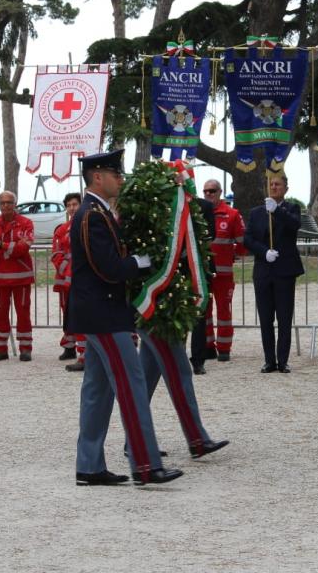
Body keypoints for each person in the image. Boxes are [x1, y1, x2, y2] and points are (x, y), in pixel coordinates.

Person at [69, 149, 181, 486]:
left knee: (97, 391)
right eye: (115, 174)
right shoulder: (92, 215)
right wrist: (140, 262)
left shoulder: (98, 213)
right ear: (98, 177)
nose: (120, 179)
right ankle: (146, 465)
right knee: (131, 387)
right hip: (103, 314)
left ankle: (88, 466)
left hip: (98, 313)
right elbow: (108, 268)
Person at [244, 174, 304, 374]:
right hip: (263, 270)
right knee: (266, 318)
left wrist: (277, 211)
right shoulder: (256, 212)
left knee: (284, 318)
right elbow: (248, 238)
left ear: (286, 188)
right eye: (271, 184)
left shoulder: (292, 208)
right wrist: (263, 252)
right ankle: (269, 360)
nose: (274, 187)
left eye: (278, 184)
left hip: (285, 270)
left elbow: (294, 225)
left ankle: (283, 360)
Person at [0, 191, 35, 363]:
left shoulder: (26, 223)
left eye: (9, 202)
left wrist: (2, 246)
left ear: (15, 204)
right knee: (1, 312)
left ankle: (25, 348)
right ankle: (0, 349)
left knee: (23, 312)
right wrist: (10, 249)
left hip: (21, 277)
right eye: (2, 203)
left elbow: (24, 248)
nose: (5, 205)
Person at [201, 179, 246, 363]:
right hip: (203, 274)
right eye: (205, 191)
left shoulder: (232, 214)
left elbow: (242, 244)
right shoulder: (199, 213)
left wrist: (232, 255)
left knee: (224, 312)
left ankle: (224, 349)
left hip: (223, 275)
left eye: (212, 191)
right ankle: (208, 347)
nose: (208, 194)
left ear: (220, 192)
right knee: (204, 311)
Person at [52, 192, 85, 371]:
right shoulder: (61, 229)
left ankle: (83, 353)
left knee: (79, 314)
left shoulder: (84, 225)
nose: (72, 208)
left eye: (75, 204)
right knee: (67, 313)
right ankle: (69, 345)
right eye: (69, 205)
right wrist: (65, 267)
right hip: (66, 279)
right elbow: (56, 252)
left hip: (80, 279)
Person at [188, 193, 215, 375]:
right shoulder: (168, 202)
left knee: (199, 315)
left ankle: (198, 359)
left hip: (198, 263)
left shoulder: (204, 206)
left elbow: (211, 233)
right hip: (175, 265)